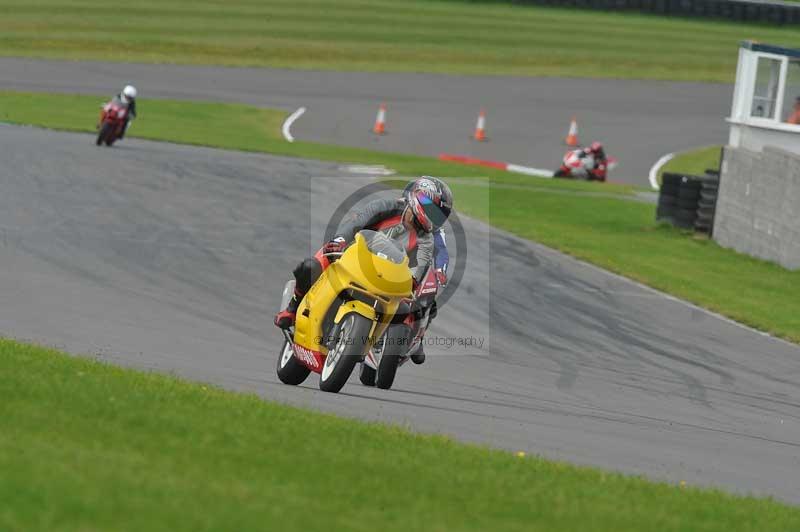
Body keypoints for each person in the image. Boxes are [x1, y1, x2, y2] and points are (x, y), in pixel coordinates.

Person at [275, 177, 454, 365]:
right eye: (432, 210)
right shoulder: (387, 207)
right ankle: (292, 309)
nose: (434, 218)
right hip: (354, 254)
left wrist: (432, 274)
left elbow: (436, 255)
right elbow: (358, 222)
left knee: (423, 298)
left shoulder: (431, 235)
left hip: (389, 271)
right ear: (418, 197)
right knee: (312, 266)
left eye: (439, 216)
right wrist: (340, 240)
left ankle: (411, 338)